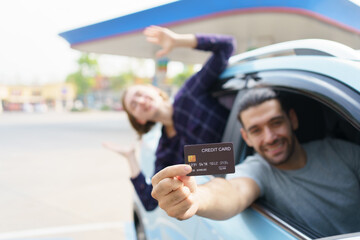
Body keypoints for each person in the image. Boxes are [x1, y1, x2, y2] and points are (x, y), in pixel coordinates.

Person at [151, 87, 360, 237]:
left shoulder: (341, 151)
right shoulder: (257, 170)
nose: (269, 137)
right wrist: (197, 199)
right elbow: (231, 191)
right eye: (256, 130)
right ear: (246, 137)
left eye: (276, 123)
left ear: (293, 120)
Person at [103, 25, 235, 211]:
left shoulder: (189, 92)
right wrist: (131, 157)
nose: (141, 101)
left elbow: (227, 46)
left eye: (141, 93)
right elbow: (151, 201)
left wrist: (178, 40)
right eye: (134, 105)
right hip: (223, 196)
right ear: (139, 119)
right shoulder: (165, 150)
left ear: (155, 91)